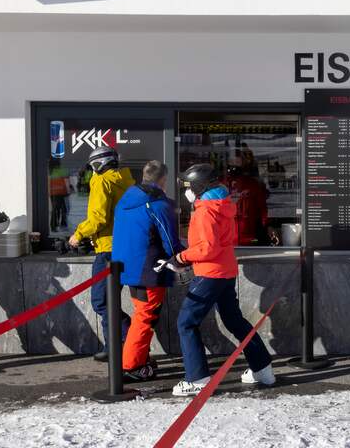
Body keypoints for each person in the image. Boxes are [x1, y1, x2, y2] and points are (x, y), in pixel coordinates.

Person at [164, 163, 276, 396]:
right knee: (234, 320)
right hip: (225, 270)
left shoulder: (205, 211)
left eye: (188, 186)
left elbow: (207, 248)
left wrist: (181, 257)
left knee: (186, 322)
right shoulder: (221, 204)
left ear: (199, 186)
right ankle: (262, 368)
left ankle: (197, 379)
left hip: (209, 273)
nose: (187, 191)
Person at [111, 161, 183, 381]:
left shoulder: (125, 200)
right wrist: (181, 258)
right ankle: (131, 365)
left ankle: (138, 357)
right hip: (149, 269)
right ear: (163, 179)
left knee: (141, 314)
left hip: (127, 268)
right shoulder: (158, 204)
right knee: (146, 316)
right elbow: (170, 241)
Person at [69, 146, 135, 361]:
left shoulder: (101, 180)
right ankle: (117, 345)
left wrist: (78, 234)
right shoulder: (126, 180)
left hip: (108, 249)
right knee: (110, 300)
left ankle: (123, 340)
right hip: (126, 246)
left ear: (98, 163)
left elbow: (98, 218)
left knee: (102, 301)